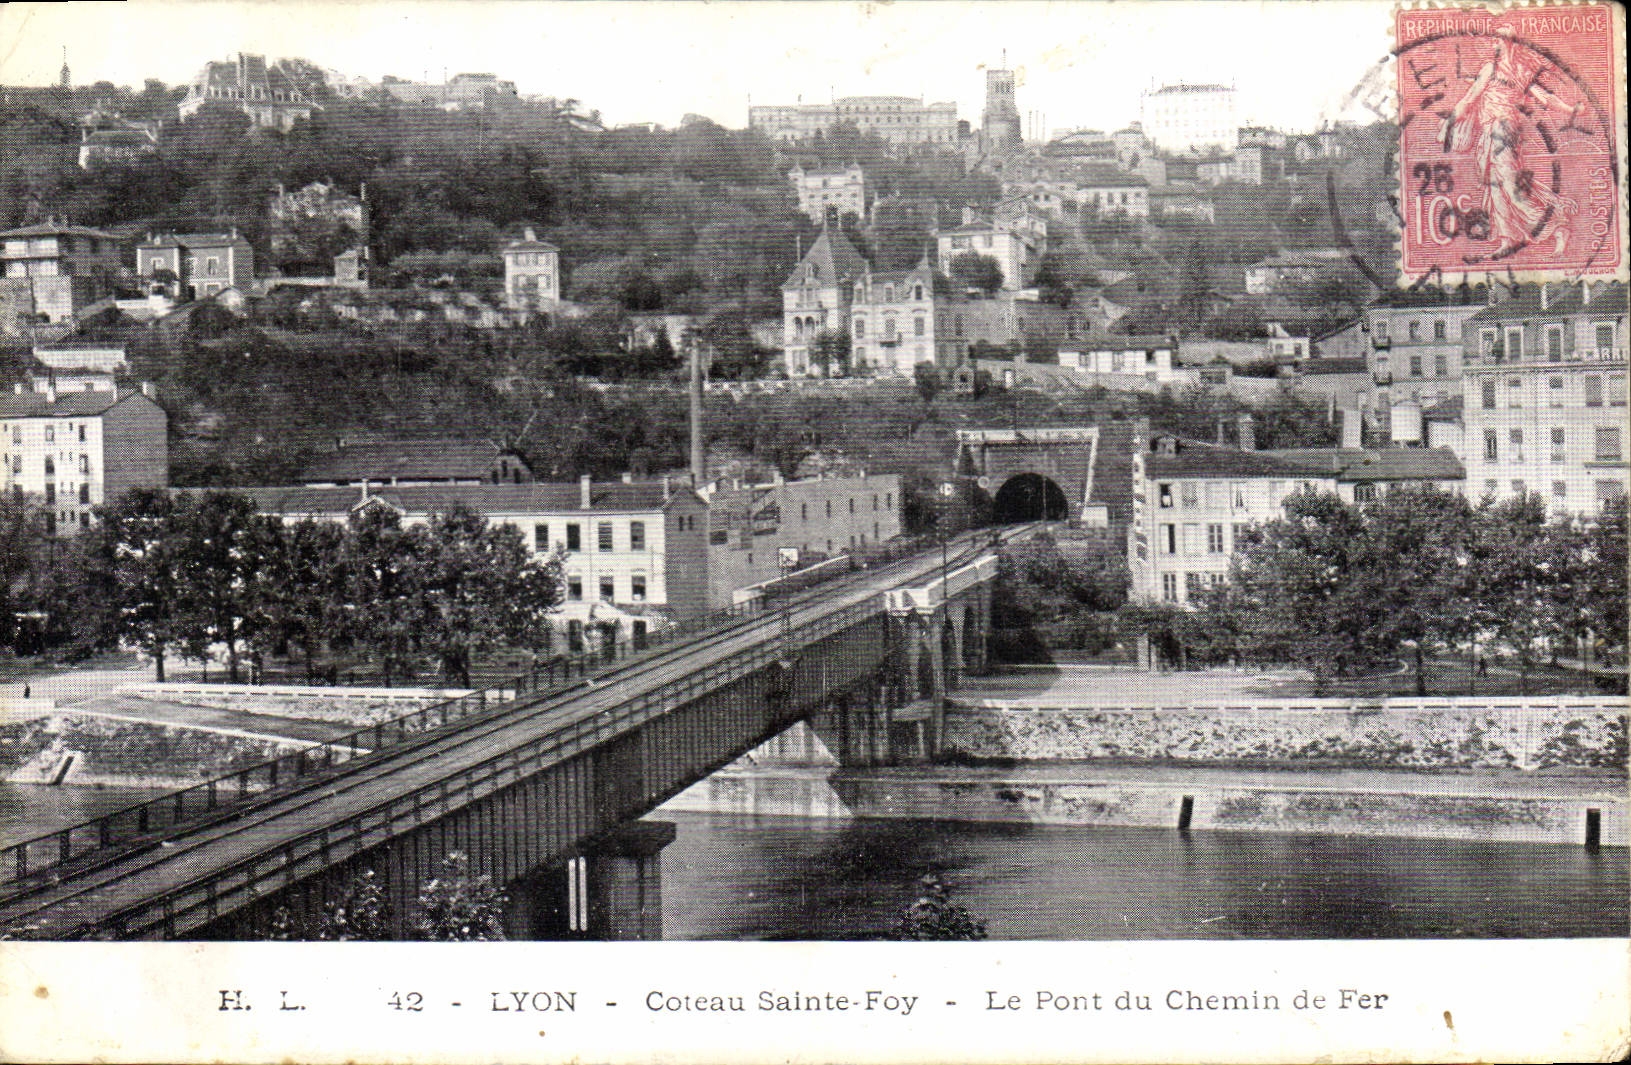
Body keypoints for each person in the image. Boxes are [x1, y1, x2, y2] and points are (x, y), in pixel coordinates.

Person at [1440, 26, 1584, 257]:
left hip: (1502, 129)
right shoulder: (1519, 70)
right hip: (1493, 131)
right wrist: (1570, 109)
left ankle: (1556, 226)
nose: (1492, 45)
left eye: (1496, 40)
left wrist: (1449, 123)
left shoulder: (1497, 69)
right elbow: (1544, 97)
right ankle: (1507, 239)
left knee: (1508, 184)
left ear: (1507, 43)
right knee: (1495, 184)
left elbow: (1470, 98)